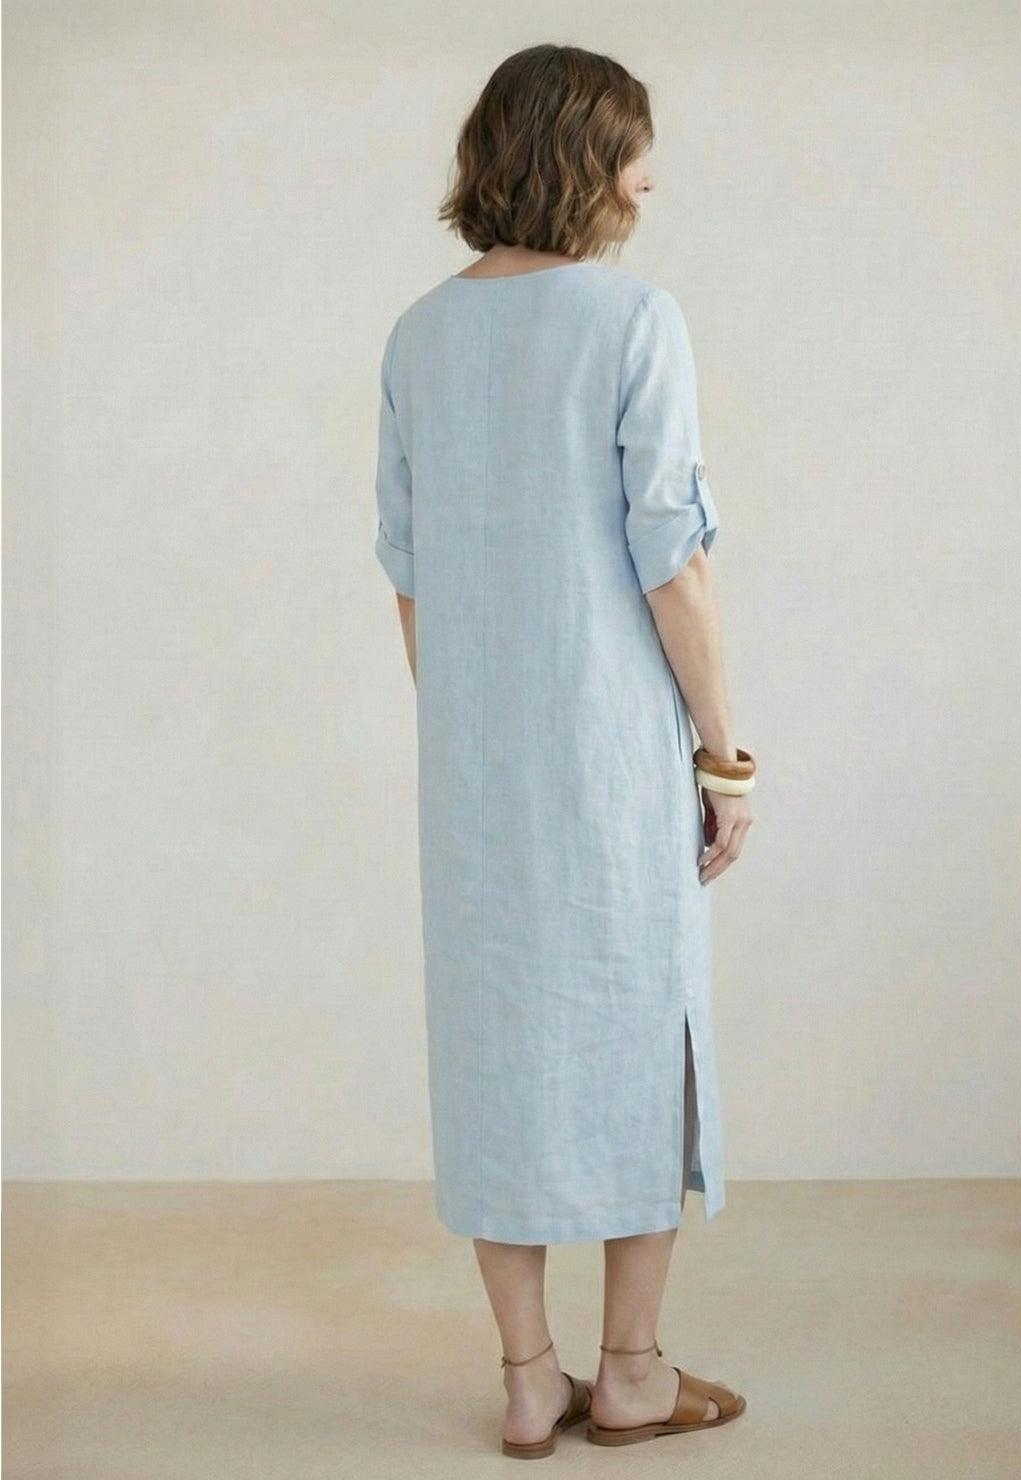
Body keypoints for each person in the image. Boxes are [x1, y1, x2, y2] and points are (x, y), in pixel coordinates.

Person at [374, 42, 755, 1457]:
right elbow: (676, 562)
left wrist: (472, 739)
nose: (651, 180)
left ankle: (530, 1382)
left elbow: (409, 572)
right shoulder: (634, 319)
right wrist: (724, 756)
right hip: (611, 761)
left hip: (474, 773)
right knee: (639, 1037)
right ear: (586, 157)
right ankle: (633, 1373)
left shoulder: (420, 335)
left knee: (499, 1054)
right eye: (636, 151)